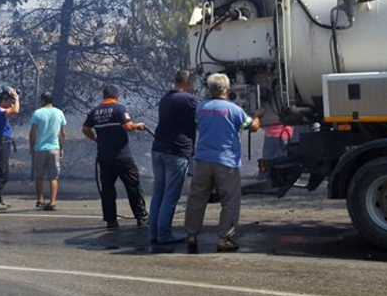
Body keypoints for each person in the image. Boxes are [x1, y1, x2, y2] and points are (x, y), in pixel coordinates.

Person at [184, 73, 262, 253]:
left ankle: (192, 235)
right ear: (227, 89)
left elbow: (198, 124)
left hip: (203, 160)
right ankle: (224, 238)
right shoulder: (233, 109)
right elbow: (253, 127)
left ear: (210, 89)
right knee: (230, 200)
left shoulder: (201, 108)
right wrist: (257, 115)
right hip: (226, 162)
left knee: (197, 198)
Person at [83, 85, 148, 229]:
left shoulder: (95, 112)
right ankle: (141, 217)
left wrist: (95, 139)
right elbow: (128, 126)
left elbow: (85, 129)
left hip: (104, 157)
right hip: (122, 156)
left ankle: (111, 220)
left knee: (107, 189)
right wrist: (138, 125)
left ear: (104, 96)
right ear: (116, 96)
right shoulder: (119, 109)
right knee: (133, 186)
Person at [149, 70, 198, 245]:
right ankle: (164, 234)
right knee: (171, 195)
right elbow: (201, 118)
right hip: (176, 151)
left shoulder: (165, 98)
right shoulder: (188, 100)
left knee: (159, 193)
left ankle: (153, 232)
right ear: (189, 82)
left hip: (158, 149)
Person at [29, 91, 66, 211]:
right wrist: (61, 148)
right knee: (53, 177)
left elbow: (33, 132)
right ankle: (53, 201)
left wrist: (31, 146)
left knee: (39, 175)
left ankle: (40, 199)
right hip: (54, 148)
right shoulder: (59, 113)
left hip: (40, 148)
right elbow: (62, 133)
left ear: (43, 100)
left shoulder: (38, 113)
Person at [0, 87, 20, 211]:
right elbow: (15, 111)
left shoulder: (1, 111)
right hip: (0, 144)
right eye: (10, 101)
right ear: (4, 100)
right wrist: (17, 98)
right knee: (2, 173)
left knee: (2, 172)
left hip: (4, 143)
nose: (11, 104)